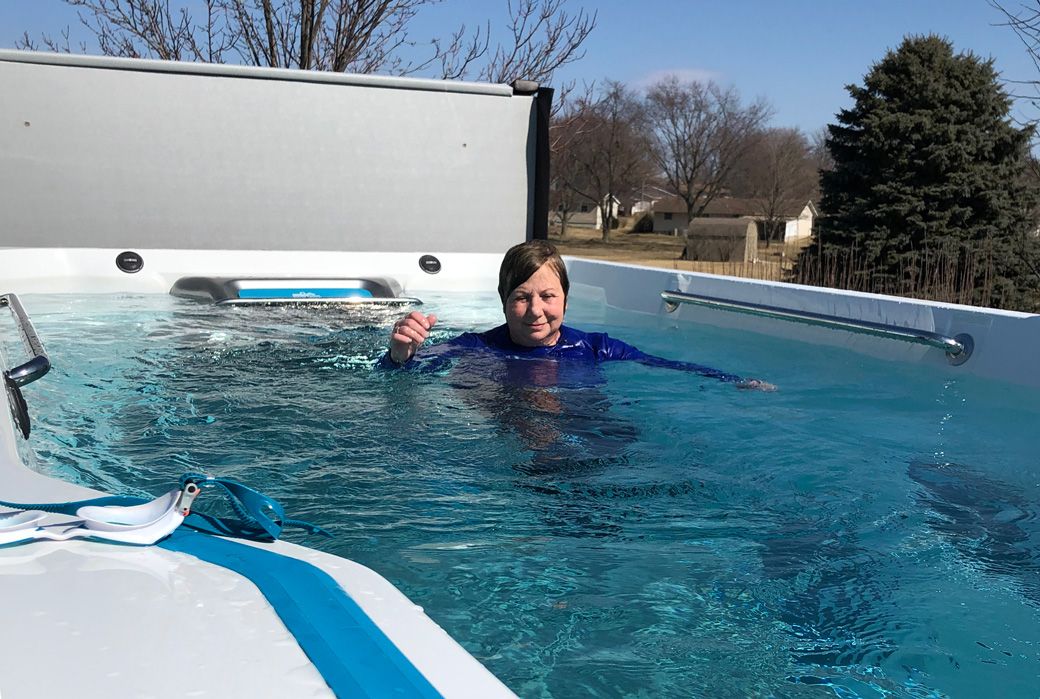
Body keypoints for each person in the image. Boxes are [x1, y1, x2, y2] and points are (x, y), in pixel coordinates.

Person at [384, 240, 775, 391]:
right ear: (503, 300)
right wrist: (400, 355)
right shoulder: (474, 347)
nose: (536, 311)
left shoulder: (595, 348)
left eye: (548, 296)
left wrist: (732, 380)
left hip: (590, 434)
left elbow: (668, 366)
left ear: (566, 301)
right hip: (517, 452)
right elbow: (400, 375)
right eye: (521, 297)